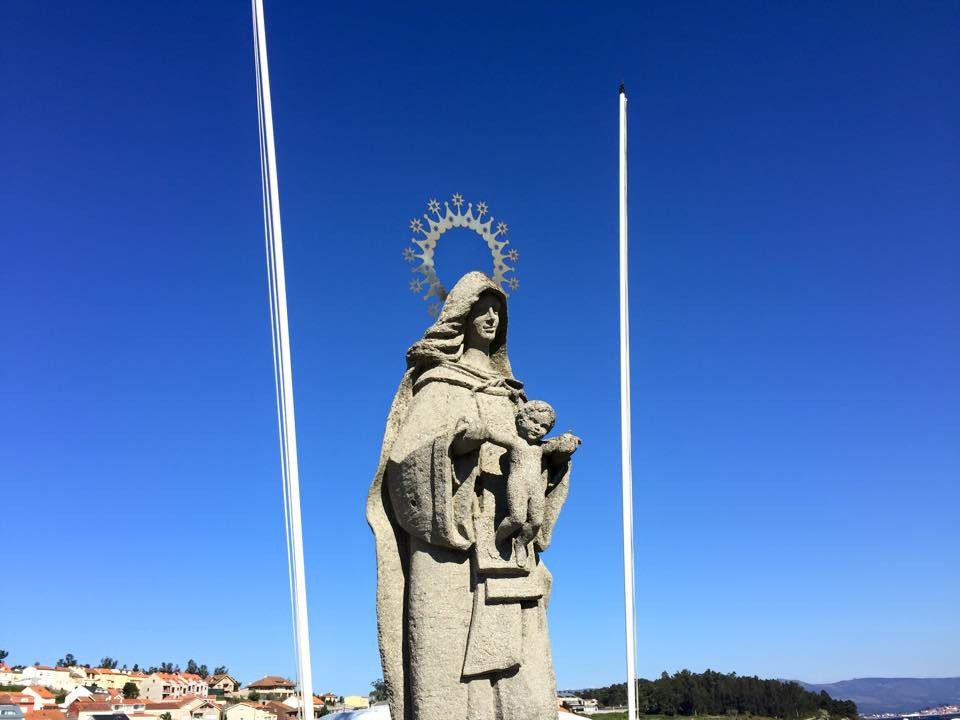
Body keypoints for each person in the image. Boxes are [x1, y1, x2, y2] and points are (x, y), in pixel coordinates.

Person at [367, 271, 579, 720]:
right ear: (460, 315)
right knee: (449, 662)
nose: (490, 318)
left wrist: (551, 463)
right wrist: (458, 444)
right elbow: (405, 459)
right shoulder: (439, 382)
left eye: (497, 312)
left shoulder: (514, 397)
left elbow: (528, 456)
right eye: (481, 309)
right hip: (454, 543)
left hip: (508, 549)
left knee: (525, 684)